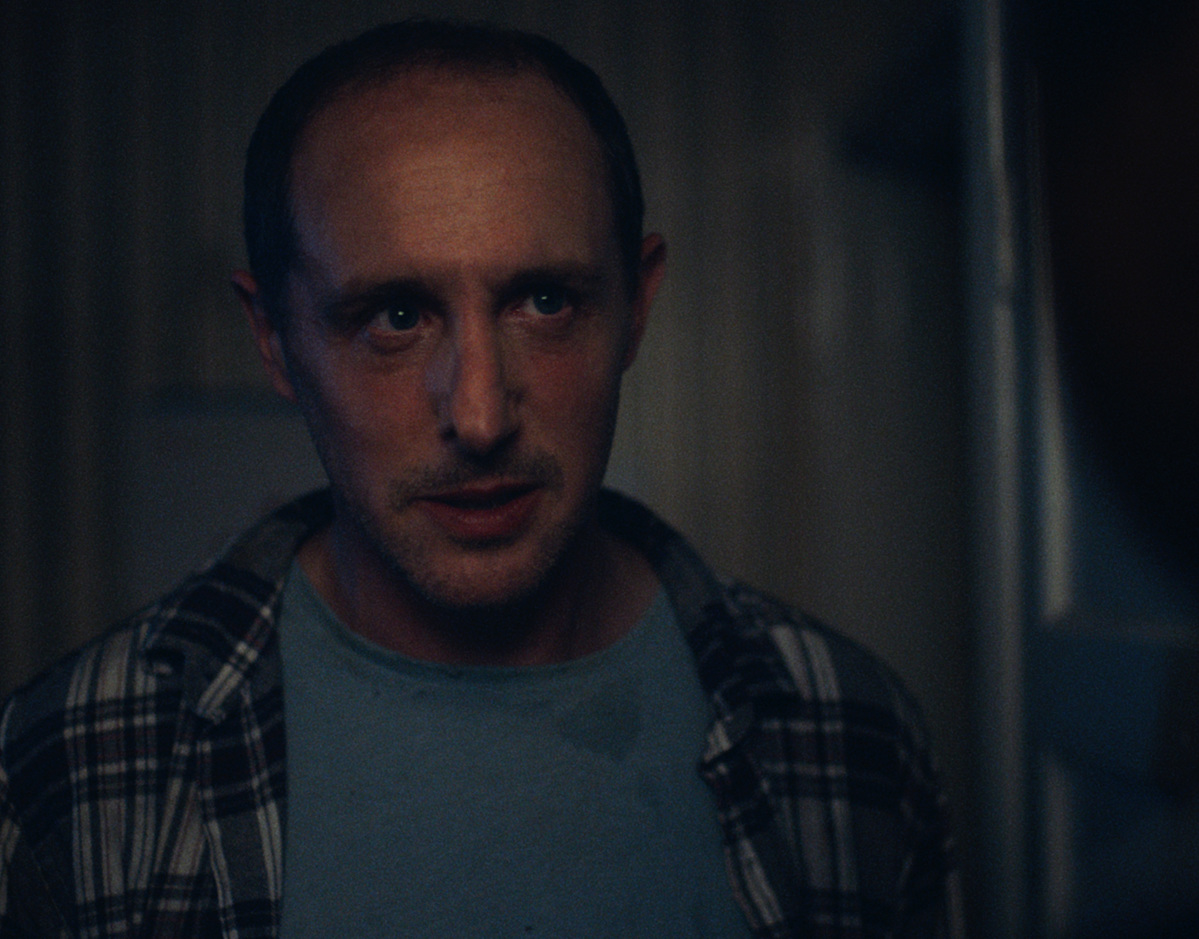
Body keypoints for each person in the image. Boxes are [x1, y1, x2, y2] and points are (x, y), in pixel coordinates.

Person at [0, 19, 959, 938]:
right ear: (275, 339)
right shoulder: (79, 766)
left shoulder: (848, 732)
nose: (482, 416)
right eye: (395, 317)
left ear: (635, 305)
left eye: (545, 301)